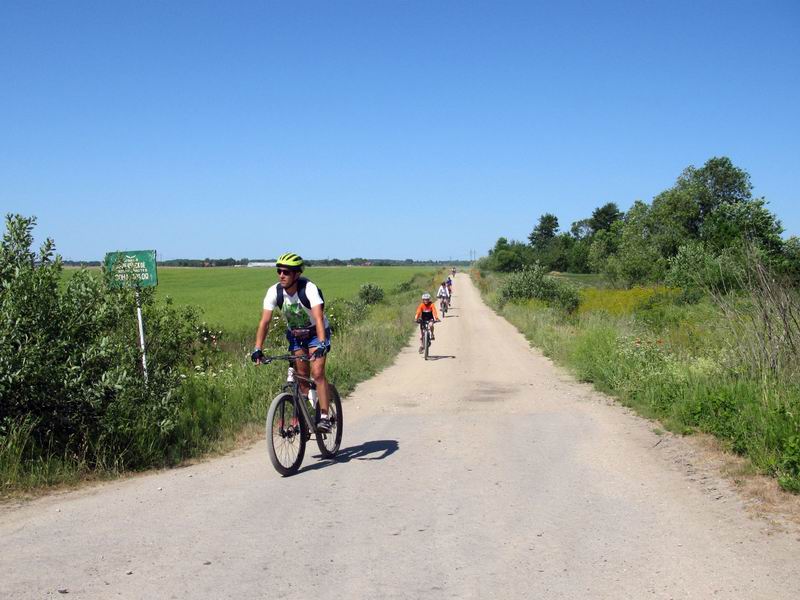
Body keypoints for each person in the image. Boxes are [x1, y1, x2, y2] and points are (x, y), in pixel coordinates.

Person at [251, 253, 333, 432]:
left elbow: (318, 318)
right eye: (279, 271)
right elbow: (264, 322)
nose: (281, 275)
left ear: (297, 274)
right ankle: (304, 419)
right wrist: (258, 348)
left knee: (317, 373)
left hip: (315, 333)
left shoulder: (309, 289)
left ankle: (325, 417)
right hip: (296, 335)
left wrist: (322, 343)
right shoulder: (275, 292)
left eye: (286, 272)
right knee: (302, 378)